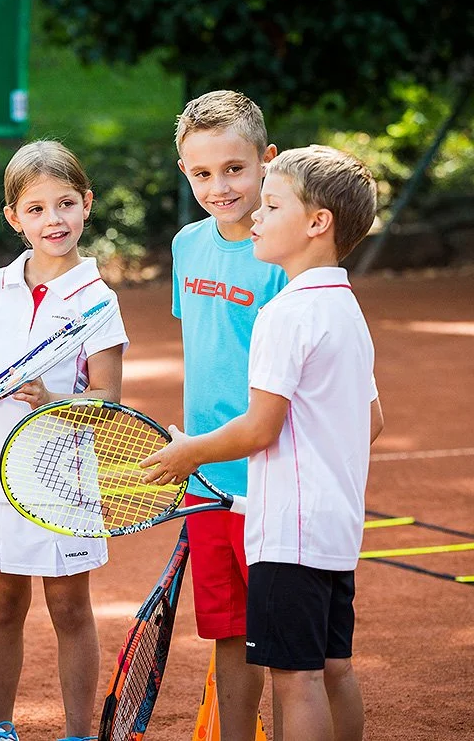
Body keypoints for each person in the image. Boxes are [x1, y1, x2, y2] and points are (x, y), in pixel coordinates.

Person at [141, 145, 385, 741]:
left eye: (271, 205)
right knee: (334, 667)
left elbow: (259, 428)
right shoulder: (346, 307)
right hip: (334, 525)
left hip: (285, 529)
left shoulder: (284, 312)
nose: (256, 216)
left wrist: (187, 453)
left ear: (316, 223)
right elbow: (372, 420)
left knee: (293, 678)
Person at [0, 140, 128, 741]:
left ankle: (78, 733)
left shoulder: (99, 301)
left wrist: (52, 400)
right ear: (13, 217)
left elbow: (107, 401)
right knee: (2, 607)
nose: (54, 220)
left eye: (66, 204)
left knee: (70, 609)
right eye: (36, 209)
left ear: (87, 205)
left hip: (62, 480)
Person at [171, 89, 287, 740]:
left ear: (266, 161)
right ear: (185, 172)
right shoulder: (187, 245)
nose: (220, 185)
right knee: (230, 633)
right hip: (207, 481)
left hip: (271, 477)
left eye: (234, 168)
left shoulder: (283, 255)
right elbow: (209, 351)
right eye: (202, 172)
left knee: (303, 654)